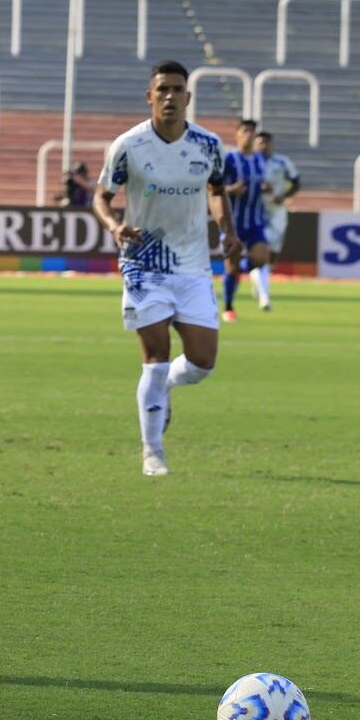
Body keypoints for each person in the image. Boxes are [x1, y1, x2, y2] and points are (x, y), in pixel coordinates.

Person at [93, 60, 241, 476]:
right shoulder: (129, 145)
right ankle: (152, 450)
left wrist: (227, 230)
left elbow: (216, 190)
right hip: (144, 264)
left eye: (178, 90)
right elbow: (101, 197)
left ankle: (168, 387)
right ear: (150, 96)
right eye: (163, 90)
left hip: (193, 266)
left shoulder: (209, 145)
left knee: (201, 363)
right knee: (155, 357)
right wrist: (114, 225)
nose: (170, 97)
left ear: (188, 97)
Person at [220, 119, 268, 321]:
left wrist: (266, 189)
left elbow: (260, 183)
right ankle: (229, 307)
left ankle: (240, 271)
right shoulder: (229, 159)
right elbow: (215, 189)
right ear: (237, 134)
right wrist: (232, 190)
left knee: (261, 258)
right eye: (245, 131)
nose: (249, 135)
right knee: (231, 266)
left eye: (252, 132)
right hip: (233, 222)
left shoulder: (260, 160)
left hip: (255, 221)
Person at [253, 131, 300, 312]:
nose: (263, 146)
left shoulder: (282, 162)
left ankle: (259, 282)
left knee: (272, 255)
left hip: (278, 213)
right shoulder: (251, 162)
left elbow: (296, 183)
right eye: (260, 142)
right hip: (256, 212)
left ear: (272, 144)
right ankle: (265, 298)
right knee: (260, 253)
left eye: (266, 142)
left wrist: (284, 196)